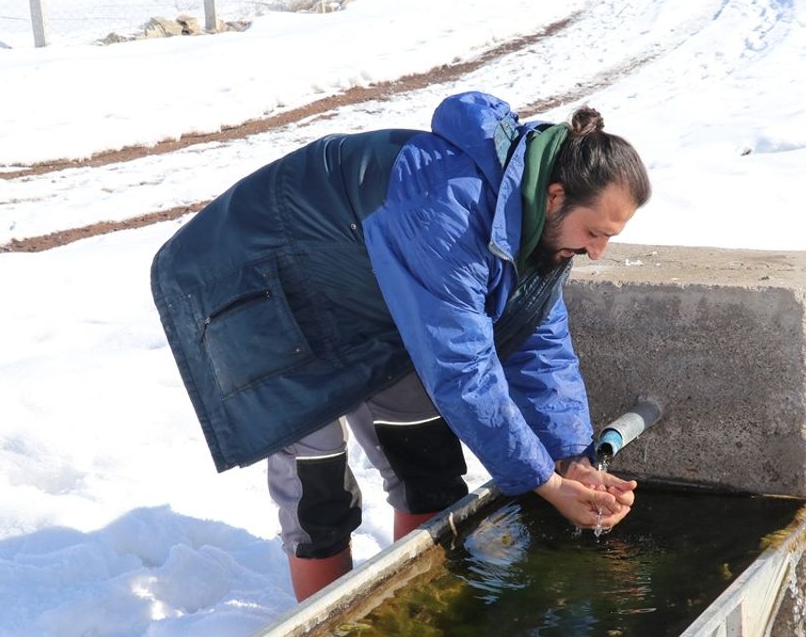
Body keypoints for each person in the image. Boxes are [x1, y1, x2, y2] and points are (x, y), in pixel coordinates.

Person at [149, 91, 651, 601]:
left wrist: (571, 458)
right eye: (594, 232)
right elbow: (461, 371)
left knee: (428, 470)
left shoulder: (537, 226)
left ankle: (420, 616)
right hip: (266, 294)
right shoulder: (447, 206)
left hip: (374, 303)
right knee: (318, 492)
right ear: (555, 195)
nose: (597, 251)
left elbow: (541, 345)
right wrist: (546, 483)